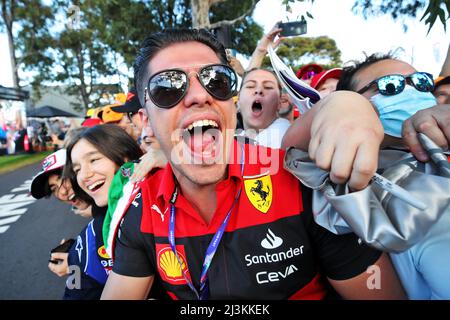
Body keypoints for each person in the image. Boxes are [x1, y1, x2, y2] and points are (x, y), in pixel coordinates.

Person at [101, 28, 405, 300]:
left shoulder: (303, 183)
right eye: (167, 87)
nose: (199, 95)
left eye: (216, 80)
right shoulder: (141, 211)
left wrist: (346, 105)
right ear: (146, 121)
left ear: (231, 103)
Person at [285, 53, 450, 299]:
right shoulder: (336, 177)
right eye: (391, 86)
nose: (413, 92)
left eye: (422, 83)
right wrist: (338, 104)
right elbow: (294, 150)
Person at [61, 124, 143, 299]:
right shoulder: (87, 241)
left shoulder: (170, 199)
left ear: (125, 157)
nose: (84, 175)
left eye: (93, 160)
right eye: (77, 169)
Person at [30, 148, 93, 278]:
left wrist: (78, 264)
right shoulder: (99, 217)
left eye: (64, 178)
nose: (62, 192)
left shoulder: (118, 209)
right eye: (54, 188)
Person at [237, 68, 291, 148]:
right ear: (238, 100)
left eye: (268, 87)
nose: (258, 90)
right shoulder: (230, 141)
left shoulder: (287, 135)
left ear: (280, 102)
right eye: (250, 86)